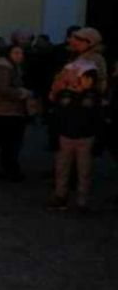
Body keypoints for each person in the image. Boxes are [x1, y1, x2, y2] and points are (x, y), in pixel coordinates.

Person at [47, 59, 102, 212]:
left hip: (86, 138)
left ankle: (82, 199)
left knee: (84, 170)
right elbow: (57, 117)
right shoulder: (65, 94)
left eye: (90, 79)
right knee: (62, 168)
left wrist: (98, 140)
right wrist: (54, 136)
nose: (87, 81)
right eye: (84, 78)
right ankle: (60, 195)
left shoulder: (93, 96)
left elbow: (98, 118)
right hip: (66, 136)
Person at [0, 45, 31, 181]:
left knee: (3, 140)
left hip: (9, 109)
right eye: (16, 53)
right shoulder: (3, 67)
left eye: (21, 53)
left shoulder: (13, 67)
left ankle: (1, 167)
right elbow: (2, 89)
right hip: (4, 109)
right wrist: (22, 93)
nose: (20, 56)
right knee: (4, 140)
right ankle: (1, 167)